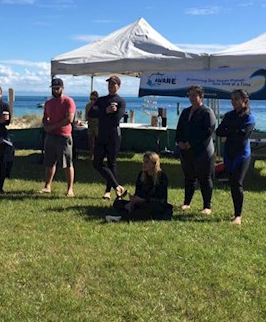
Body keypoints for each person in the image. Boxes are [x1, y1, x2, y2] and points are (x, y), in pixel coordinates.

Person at [215, 89, 256, 225]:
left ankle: (238, 215)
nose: (233, 102)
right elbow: (219, 131)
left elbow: (243, 136)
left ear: (244, 100)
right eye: (232, 99)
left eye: (236, 99)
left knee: (237, 183)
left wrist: (229, 132)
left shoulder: (249, 117)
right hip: (229, 154)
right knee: (232, 183)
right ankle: (235, 212)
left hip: (242, 154)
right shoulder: (229, 115)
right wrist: (233, 131)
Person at [176, 85, 216, 215]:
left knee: (204, 178)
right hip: (186, 150)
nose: (192, 98)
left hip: (203, 151)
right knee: (189, 177)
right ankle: (187, 203)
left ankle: (207, 206)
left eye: (194, 95)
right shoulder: (186, 111)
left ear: (201, 96)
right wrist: (180, 142)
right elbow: (179, 129)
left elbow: (207, 132)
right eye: (190, 95)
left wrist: (191, 143)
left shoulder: (207, 112)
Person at [88, 75, 126, 200]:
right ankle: (117, 186)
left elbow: (116, 119)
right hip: (101, 135)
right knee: (96, 163)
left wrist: (104, 113)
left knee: (111, 163)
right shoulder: (102, 100)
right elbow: (91, 113)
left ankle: (109, 191)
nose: (111, 86)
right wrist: (106, 111)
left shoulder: (121, 101)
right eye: (109, 84)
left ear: (118, 87)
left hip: (114, 136)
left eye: (113, 84)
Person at [106, 151, 173, 222]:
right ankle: (131, 213)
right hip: (141, 203)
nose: (144, 164)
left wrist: (143, 200)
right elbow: (138, 193)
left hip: (154, 204)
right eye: (143, 162)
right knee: (118, 203)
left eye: (147, 162)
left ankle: (121, 218)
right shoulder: (141, 175)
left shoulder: (161, 177)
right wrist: (133, 201)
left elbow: (161, 199)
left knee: (147, 207)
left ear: (154, 164)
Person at [39, 77, 76, 197]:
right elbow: (45, 117)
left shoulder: (68, 101)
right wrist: (46, 125)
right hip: (50, 136)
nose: (55, 91)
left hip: (64, 135)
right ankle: (47, 186)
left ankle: (70, 188)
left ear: (62, 88)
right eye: (53, 88)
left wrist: (53, 126)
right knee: (49, 162)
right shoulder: (49, 103)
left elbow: (69, 119)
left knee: (67, 163)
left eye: (57, 88)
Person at [85, 91, 99, 159]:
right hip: (90, 125)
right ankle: (91, 154)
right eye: (91, 99)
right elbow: (86, 117)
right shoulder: (88, 105)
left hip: (98, 125)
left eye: (94, 99)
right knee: (90, 141)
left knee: (98, 141)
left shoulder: (100, 105)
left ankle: (98, 155)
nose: (93, 101)